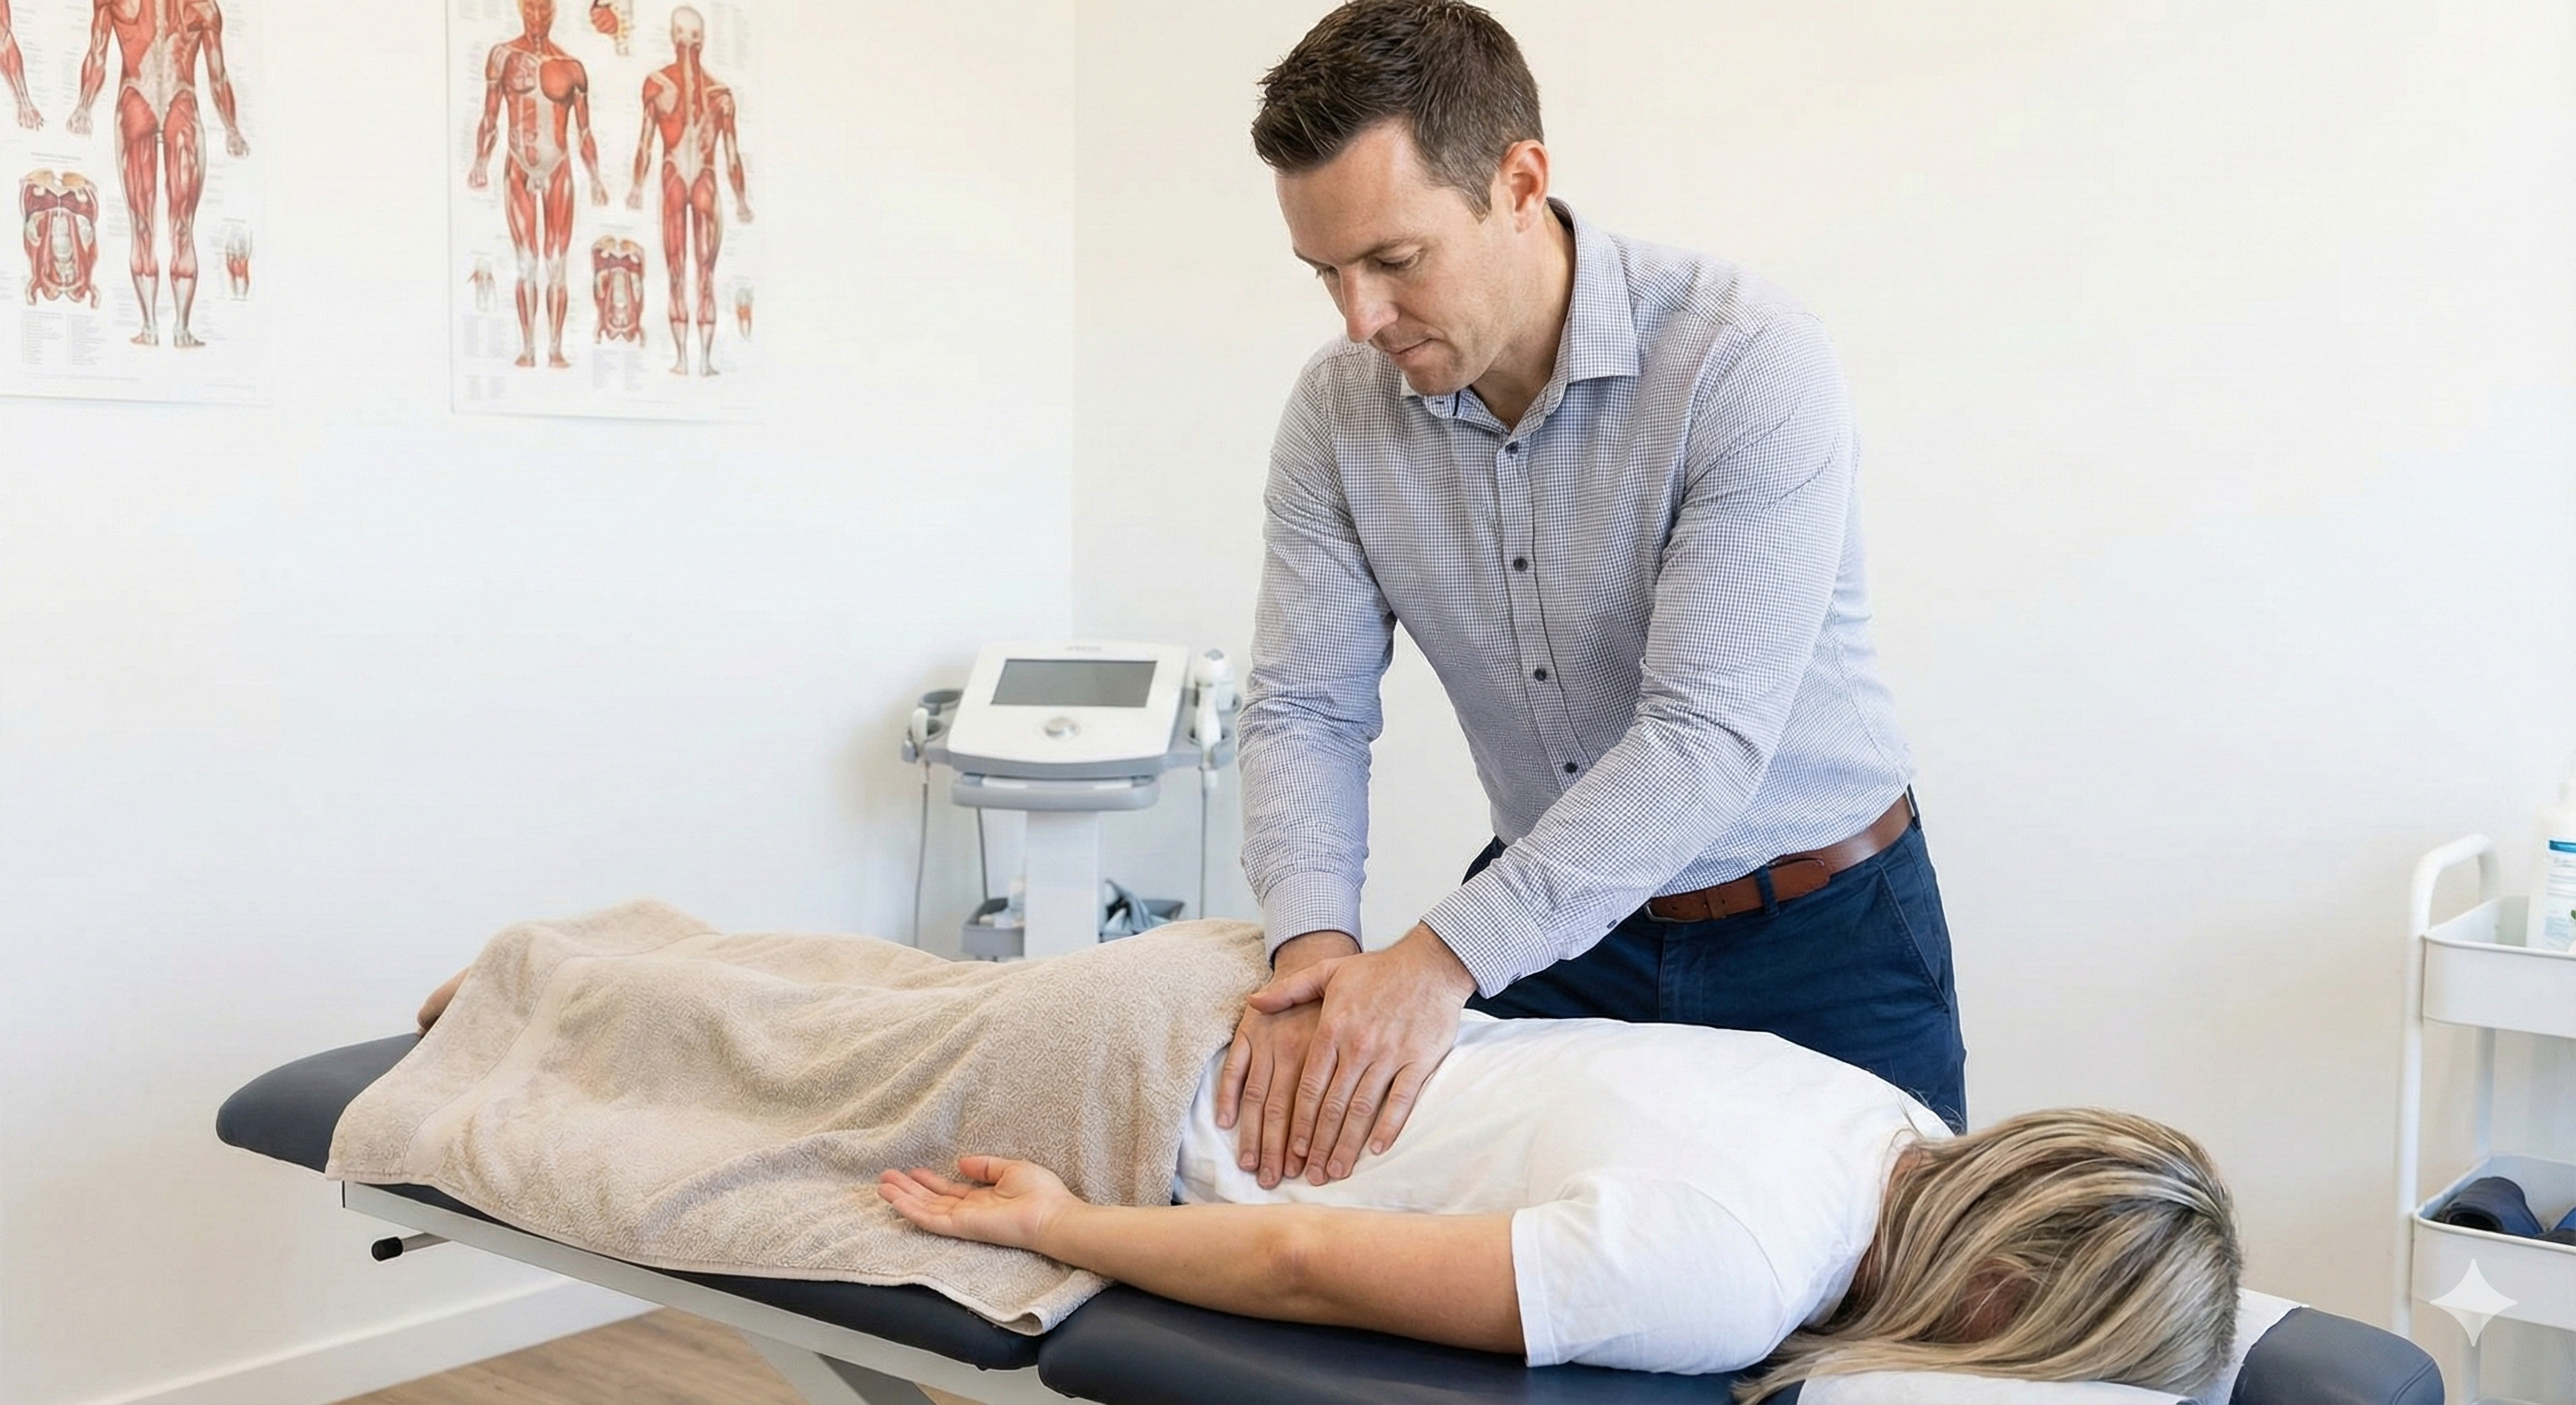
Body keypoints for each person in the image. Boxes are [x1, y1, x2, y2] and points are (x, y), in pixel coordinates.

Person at [1224, 0, 1965, 1196]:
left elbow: (1699, 738)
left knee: (1888, 1300)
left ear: (1520, 182)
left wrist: (1437, 961)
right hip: (1555, 936)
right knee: (1460, 1261)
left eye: (1395, 262)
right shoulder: (1335, 414)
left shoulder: (1742, 357)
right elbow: (1306, 708)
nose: (1360, 319)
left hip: (1822, 939)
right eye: (1327, 274)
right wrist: (1312, 956)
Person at [415, 959, 2238, 1394]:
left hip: (1240, 993)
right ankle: (512, 1003)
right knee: (766, 1083)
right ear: (2004, 1298)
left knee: (836, 1003)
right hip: (1150, 1097)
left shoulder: (1872, 1113)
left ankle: (573, 974)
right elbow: (1298, 1266)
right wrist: (1058, 1226)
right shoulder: (1731, 1273)